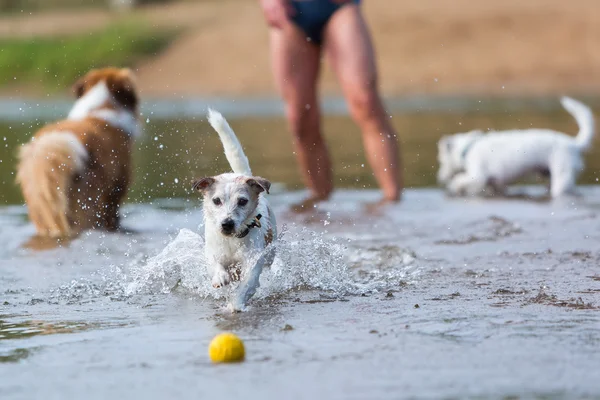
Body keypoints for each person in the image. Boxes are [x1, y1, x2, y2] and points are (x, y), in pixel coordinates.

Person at [259, 0, 403, 210]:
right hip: (290, 10)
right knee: (299, 117)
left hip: (339, 7)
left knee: (365, 101)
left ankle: (393, 201)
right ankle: (318, 201)